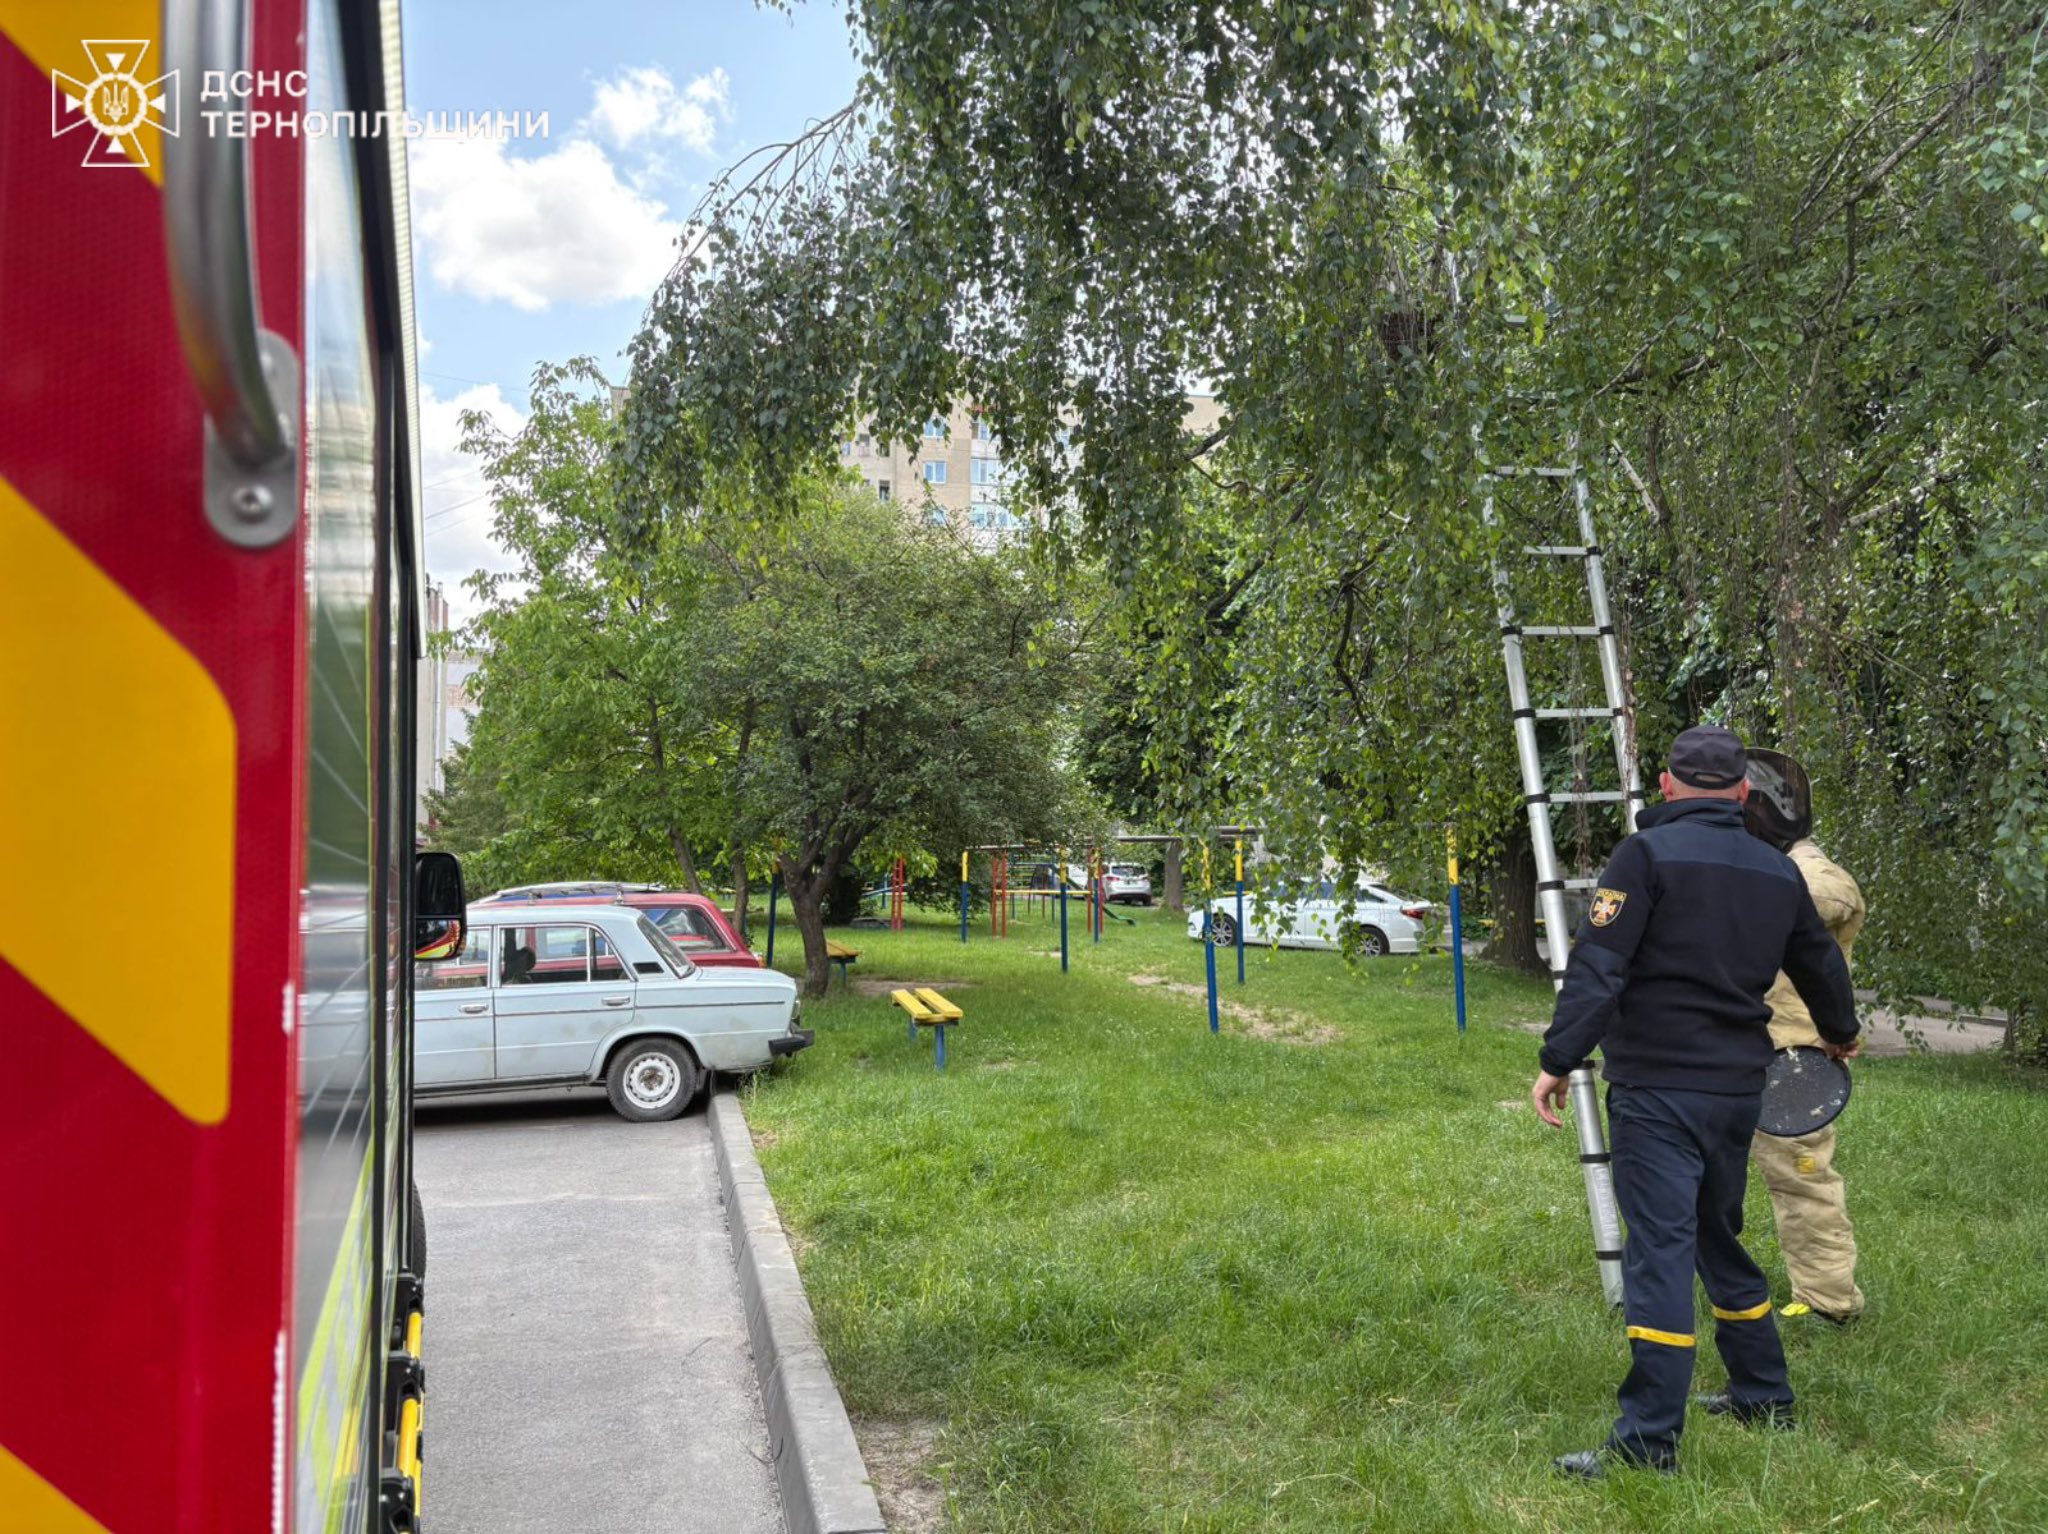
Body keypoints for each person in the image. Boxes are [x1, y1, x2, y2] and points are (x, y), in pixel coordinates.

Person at [1529, 724, 1860, 1478]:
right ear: (1742, 792)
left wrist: (1557, 1060)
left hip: (1657, 1093)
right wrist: (1841, 1033)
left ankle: (1647, 1444)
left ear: (1667, 785)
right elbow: (1819, 963)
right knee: (1716, 1238)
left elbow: (1599, 967)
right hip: (1738, 1092)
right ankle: (1763, 1396)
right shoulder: (1777, 870)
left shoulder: (1643, 856)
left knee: (1660, 1255)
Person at [1742, 749, 1867, 1324]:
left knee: (1803, 1178)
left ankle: (1829, 1299)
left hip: (1794, 1060)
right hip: (1740, 1048)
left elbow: (1824, 900)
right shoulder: (1765, 867)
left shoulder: (1815, 873)